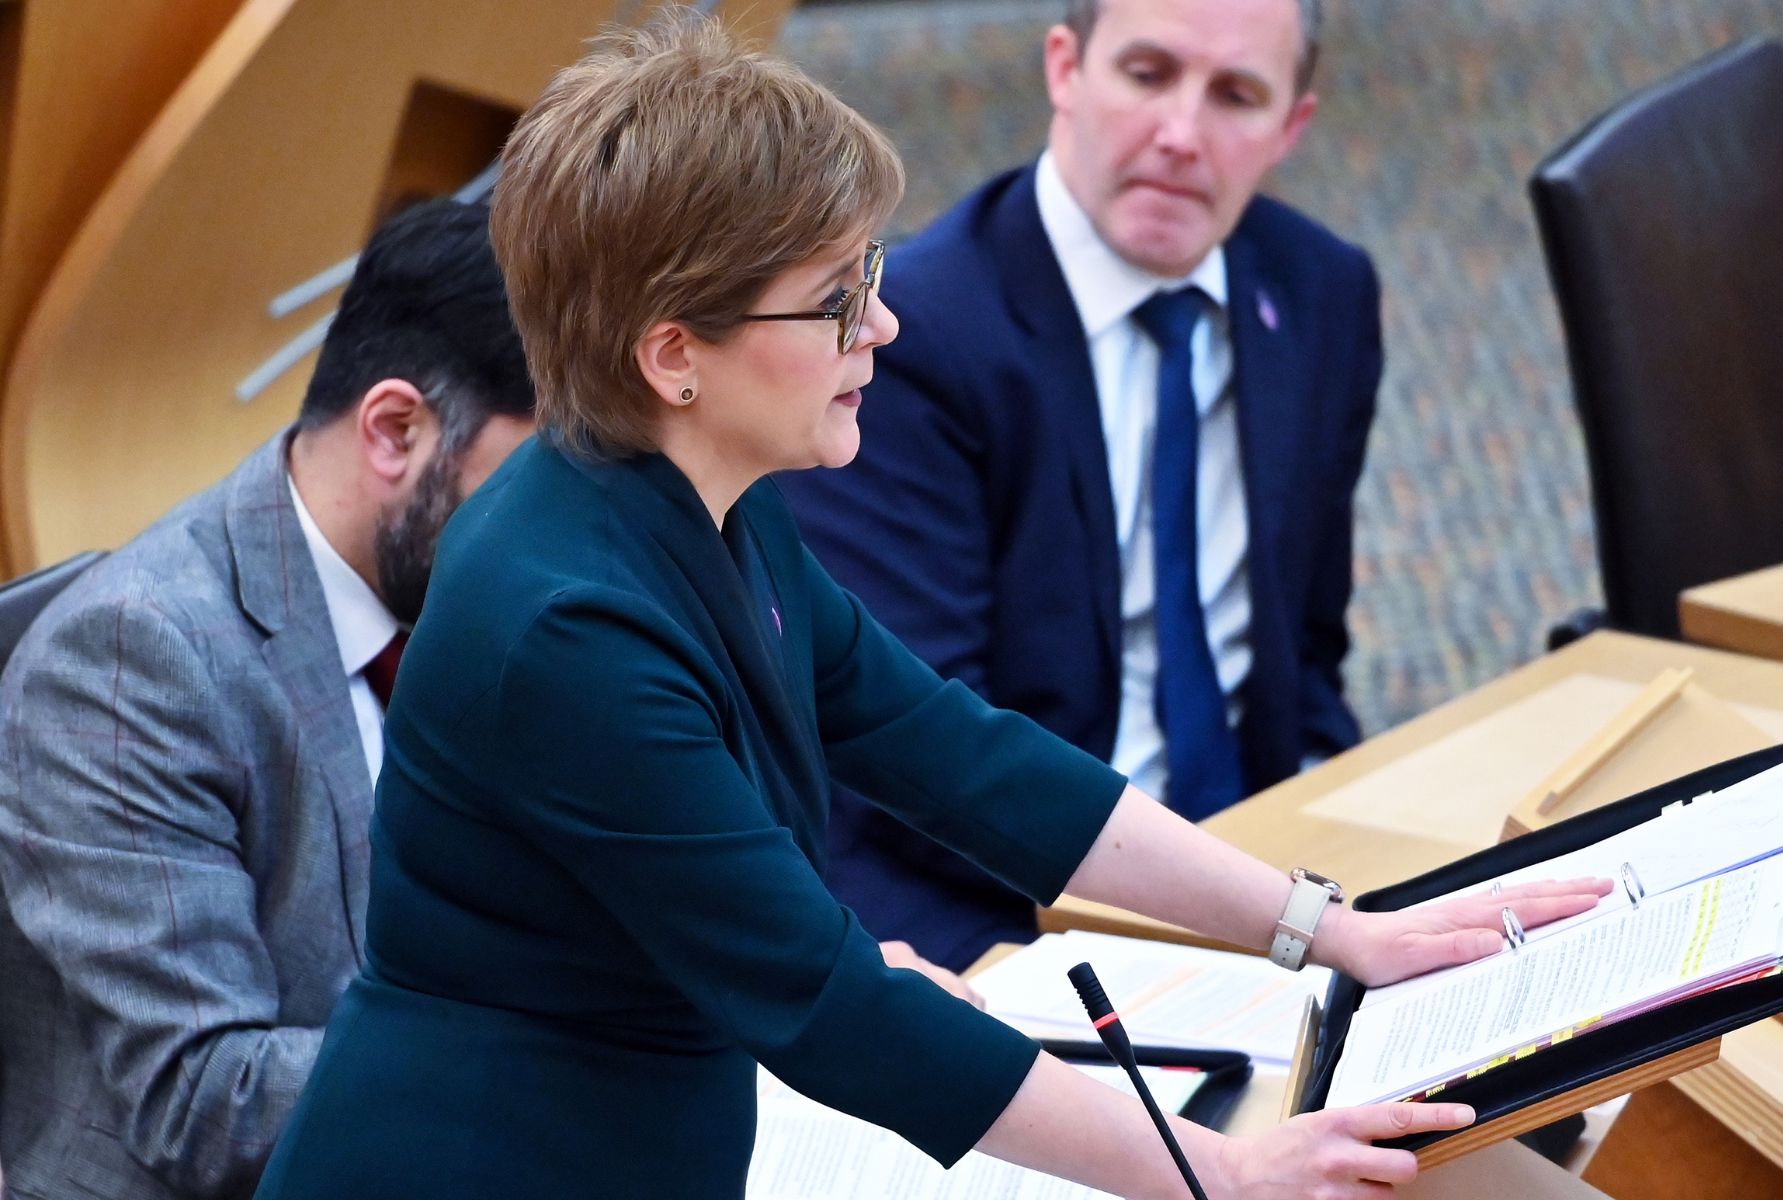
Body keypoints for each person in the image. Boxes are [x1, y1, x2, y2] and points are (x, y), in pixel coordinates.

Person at [251, 13, 1605, 1200]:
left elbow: (957, 755)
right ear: (674, 353)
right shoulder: (567, 636)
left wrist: (1336, 930)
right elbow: (831, 999)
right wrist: (1224, 1174)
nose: (883, 331)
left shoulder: (703, 490)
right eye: (836, 302)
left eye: (874, 276)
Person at [780, 0, 1385, 970]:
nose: (1180, 135)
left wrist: (1325, 867)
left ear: (1290, 127)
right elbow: (920, 767)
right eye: (1147, 74)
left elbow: (1307, 650)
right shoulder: (914, 339)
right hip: (1005, 896)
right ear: (1064, 68)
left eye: (1236, 95)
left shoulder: (1321, 292)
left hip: (1264, 857)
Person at [0, 199, 536, 1200]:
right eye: (540, 487)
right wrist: (569, 1050)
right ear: (394, 431)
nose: (567, 539)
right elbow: (206, 1101)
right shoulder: (132, 659)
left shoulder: (470, 598)